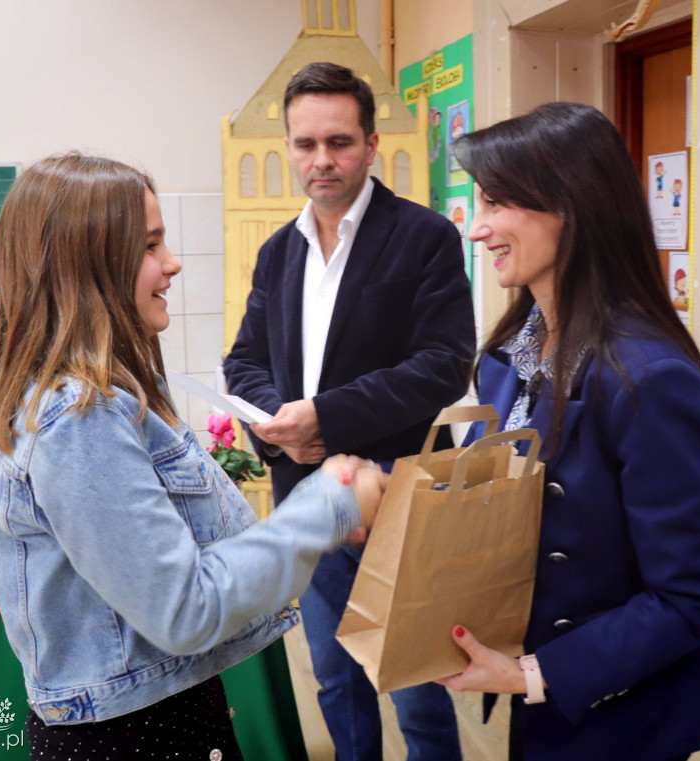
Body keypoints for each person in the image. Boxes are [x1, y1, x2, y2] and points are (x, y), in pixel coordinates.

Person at [0, 152, 385, 761]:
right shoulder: (81, 418)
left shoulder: (108, 397)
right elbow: (185, 608)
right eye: (148, 246)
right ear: (87, 264)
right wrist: (326, 506)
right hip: (134, 736)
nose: (171, 265)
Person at [438, 103, 700, 761]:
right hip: (539, 710)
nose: (478, 228)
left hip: (618, 718)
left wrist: (531, 674)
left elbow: (686, 596)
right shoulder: (508, 357)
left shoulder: (649, 378)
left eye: (495, 203)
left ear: (568, 205)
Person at [224, 62, 474, 760]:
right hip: (307, 494)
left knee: (417, 684)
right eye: (305, 144)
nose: (321, 159)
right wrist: (282, 425)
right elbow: (243, 361)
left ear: (370, 144)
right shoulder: (278, 253)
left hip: (398, 495)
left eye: (338, 141)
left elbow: (444, 365)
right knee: (336, 678)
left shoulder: (424, 237)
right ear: (288, 149)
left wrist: (325, 417)